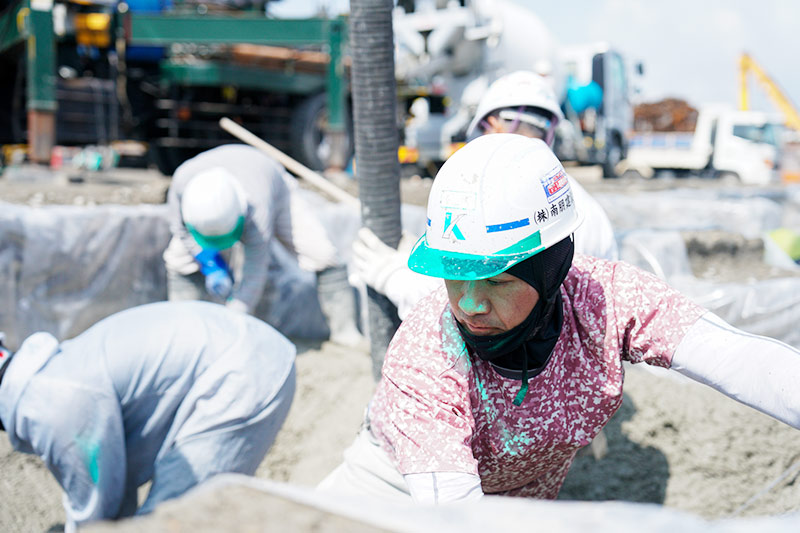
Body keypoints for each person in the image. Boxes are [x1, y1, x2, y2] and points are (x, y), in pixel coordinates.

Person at [318, 134, 800, 504]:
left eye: (498, 281)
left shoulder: (604, 299)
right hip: (392, 490)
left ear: (551, 267)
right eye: (453, 277)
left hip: (521, 501)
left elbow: (737, 356)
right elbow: (451, 515)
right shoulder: (426, 356)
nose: (469, 304)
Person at [0, 300, 295, 532]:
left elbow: (95, 511)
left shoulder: (49, 402)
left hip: (241, 372)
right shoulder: (53, 375)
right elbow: (114, 493)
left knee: (173, 520)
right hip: (241, 351)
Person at [352, 70, 617, 320]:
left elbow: (470, 308)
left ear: (491, 126)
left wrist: (396, 278)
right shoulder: (581, 204)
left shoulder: (493, 200)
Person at [163, 144, 363, 347]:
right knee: (179, 260)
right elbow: (181, 231)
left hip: (275, 190)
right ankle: (185, 334)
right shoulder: (181, 185)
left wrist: (236, 315)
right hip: (233, 186)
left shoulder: (258, 205)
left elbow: (256, 266)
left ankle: (344, 331)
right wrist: (210, 264)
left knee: (322, 254)